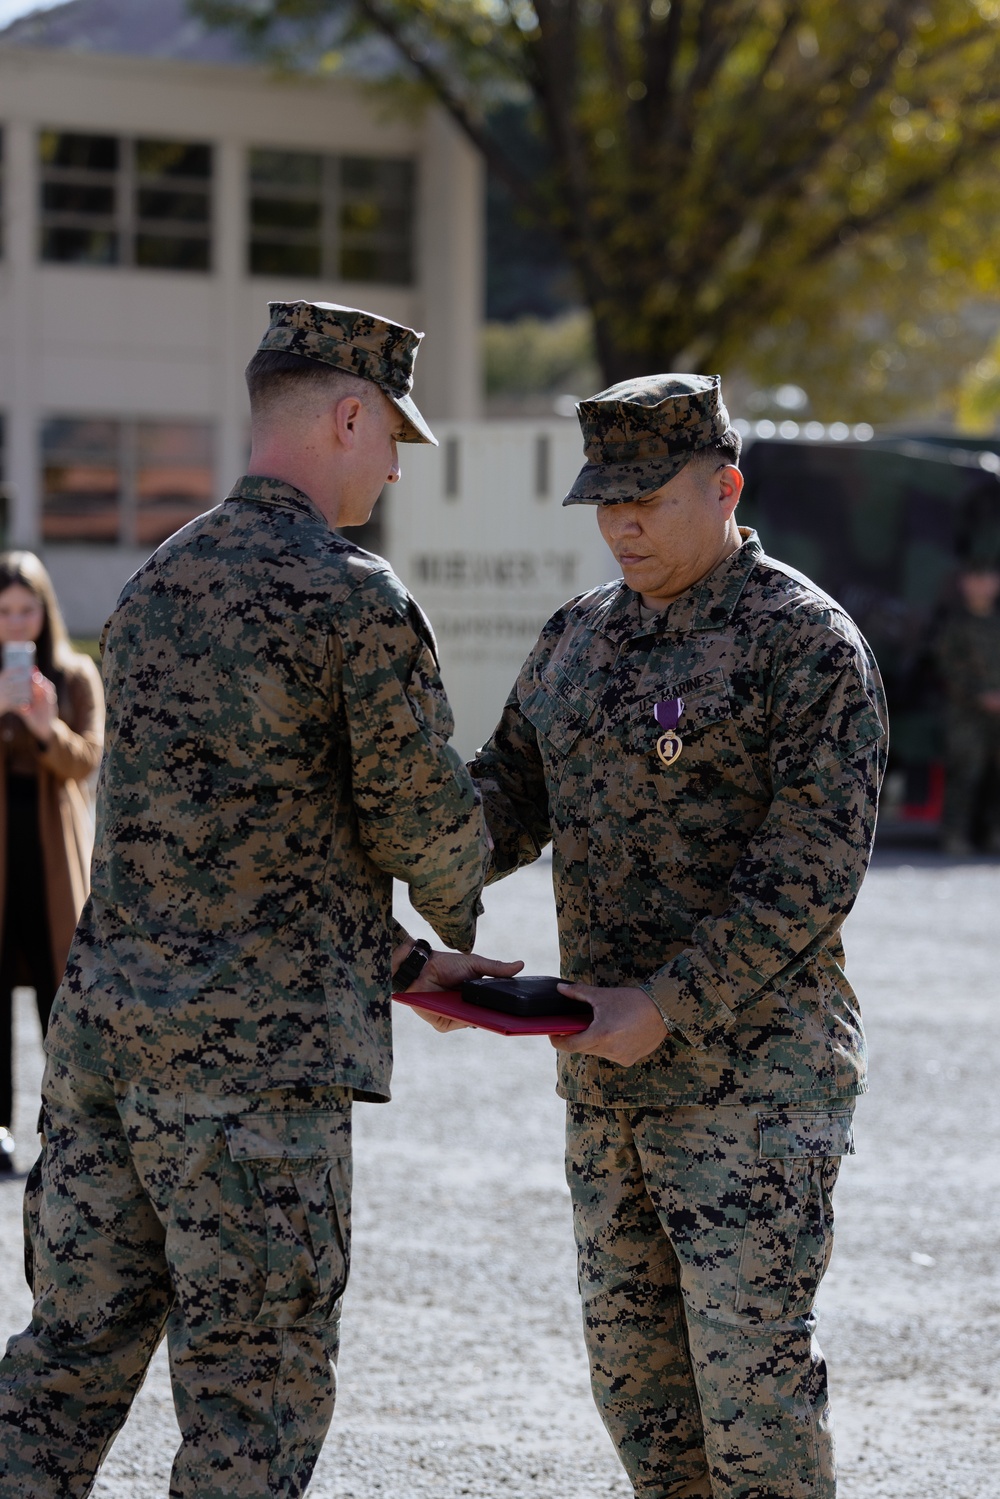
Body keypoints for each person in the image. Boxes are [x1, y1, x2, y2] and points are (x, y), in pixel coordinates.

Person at [0, 300, 518, 1499]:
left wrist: (390, 962)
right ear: (346, 415)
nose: (394, 462)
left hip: (103, 1047)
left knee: (60, 1365)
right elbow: (425, 828)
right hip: (253, 1071)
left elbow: (204, 844)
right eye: (391, 433)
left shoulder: (153, 582)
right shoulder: (353, 594)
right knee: (254, 1394)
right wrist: (492, 848)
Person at [469, 375, 887, 1499]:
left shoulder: (804, 644)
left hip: (753, 1086)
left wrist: (666, 1002)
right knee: (641, 1399)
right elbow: (502, 800)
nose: (622, 525)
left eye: (647, 499)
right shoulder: (577, 640)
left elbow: (809, 873)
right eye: (605, 503)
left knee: (751, 1402)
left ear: (726, 485)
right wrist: (381, 844)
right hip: (610, 1095)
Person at [0, 552, 103, 1174]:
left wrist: (44, 727)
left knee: (58, 995)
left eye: (26, 608)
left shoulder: (74, 675)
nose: (15, 622)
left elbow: (88, 760)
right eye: (4, 610)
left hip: (53, 861)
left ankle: (64, 1130)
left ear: (45, 610)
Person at [933, 560, 1000, 855]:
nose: (983, 585)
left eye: (988, 578)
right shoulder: (955, 624)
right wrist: (980, 695)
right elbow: (948, 667)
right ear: (964, 583)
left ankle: (993, 834)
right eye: (976, 578)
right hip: (967, 714)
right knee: (966, 773)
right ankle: (955, 835)